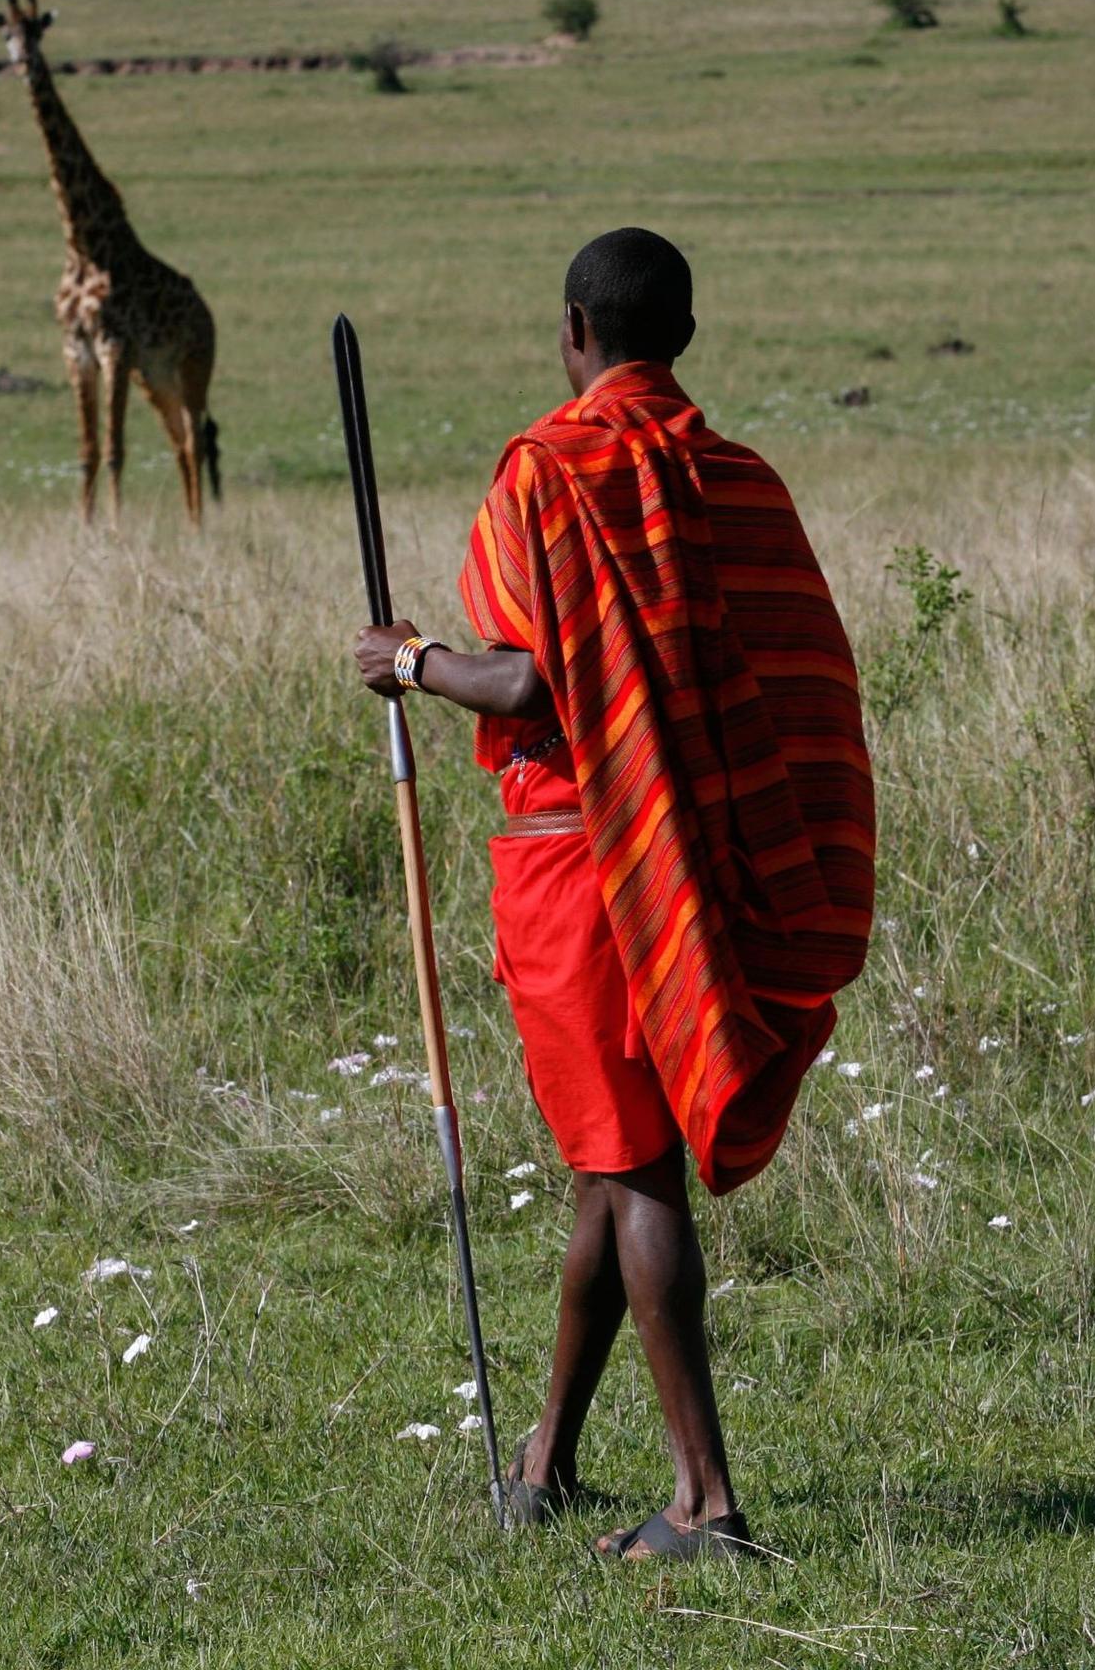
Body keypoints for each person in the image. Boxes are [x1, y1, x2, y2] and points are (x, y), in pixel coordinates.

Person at [353, 227, 875, 1560]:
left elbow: (528, 682)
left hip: (583, 866)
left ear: (575, 332)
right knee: (607, 1162)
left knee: (635, 1170)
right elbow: (802, 676)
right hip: (696, 856)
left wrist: (413, 660)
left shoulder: (549, 470)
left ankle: (705, 1502)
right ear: (679, 335)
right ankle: (546, 1463)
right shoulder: (741, 481)